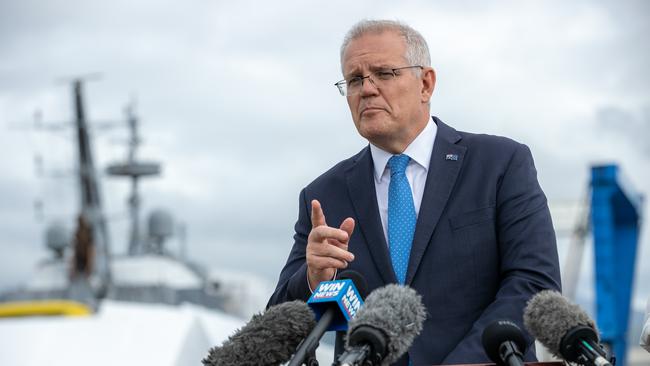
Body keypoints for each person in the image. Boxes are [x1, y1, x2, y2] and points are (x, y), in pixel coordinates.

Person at [267, 19, 561, 365]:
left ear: (426, 83)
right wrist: (313, 279)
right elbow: (277, 324)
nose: (367, 89)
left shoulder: (500, 164)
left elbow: (533, 282)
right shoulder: (323, 195)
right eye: (355, 79)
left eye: (384, 73)